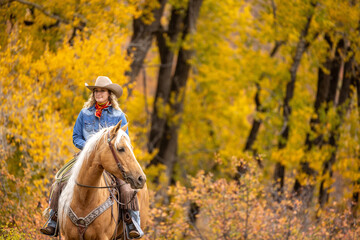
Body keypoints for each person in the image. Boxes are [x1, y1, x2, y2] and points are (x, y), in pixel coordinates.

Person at [40, 76, 143, 238]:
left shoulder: (119, 115)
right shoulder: (84, 113)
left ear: (109, 93)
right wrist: (90, 149)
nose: (99, 93)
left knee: (126, 189)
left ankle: (132, 222)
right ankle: (53, 219)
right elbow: (76, 137)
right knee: (60, 181)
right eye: (96, 91)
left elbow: (125, 143)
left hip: (111, 160)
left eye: (102, 91)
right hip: (85, 159)